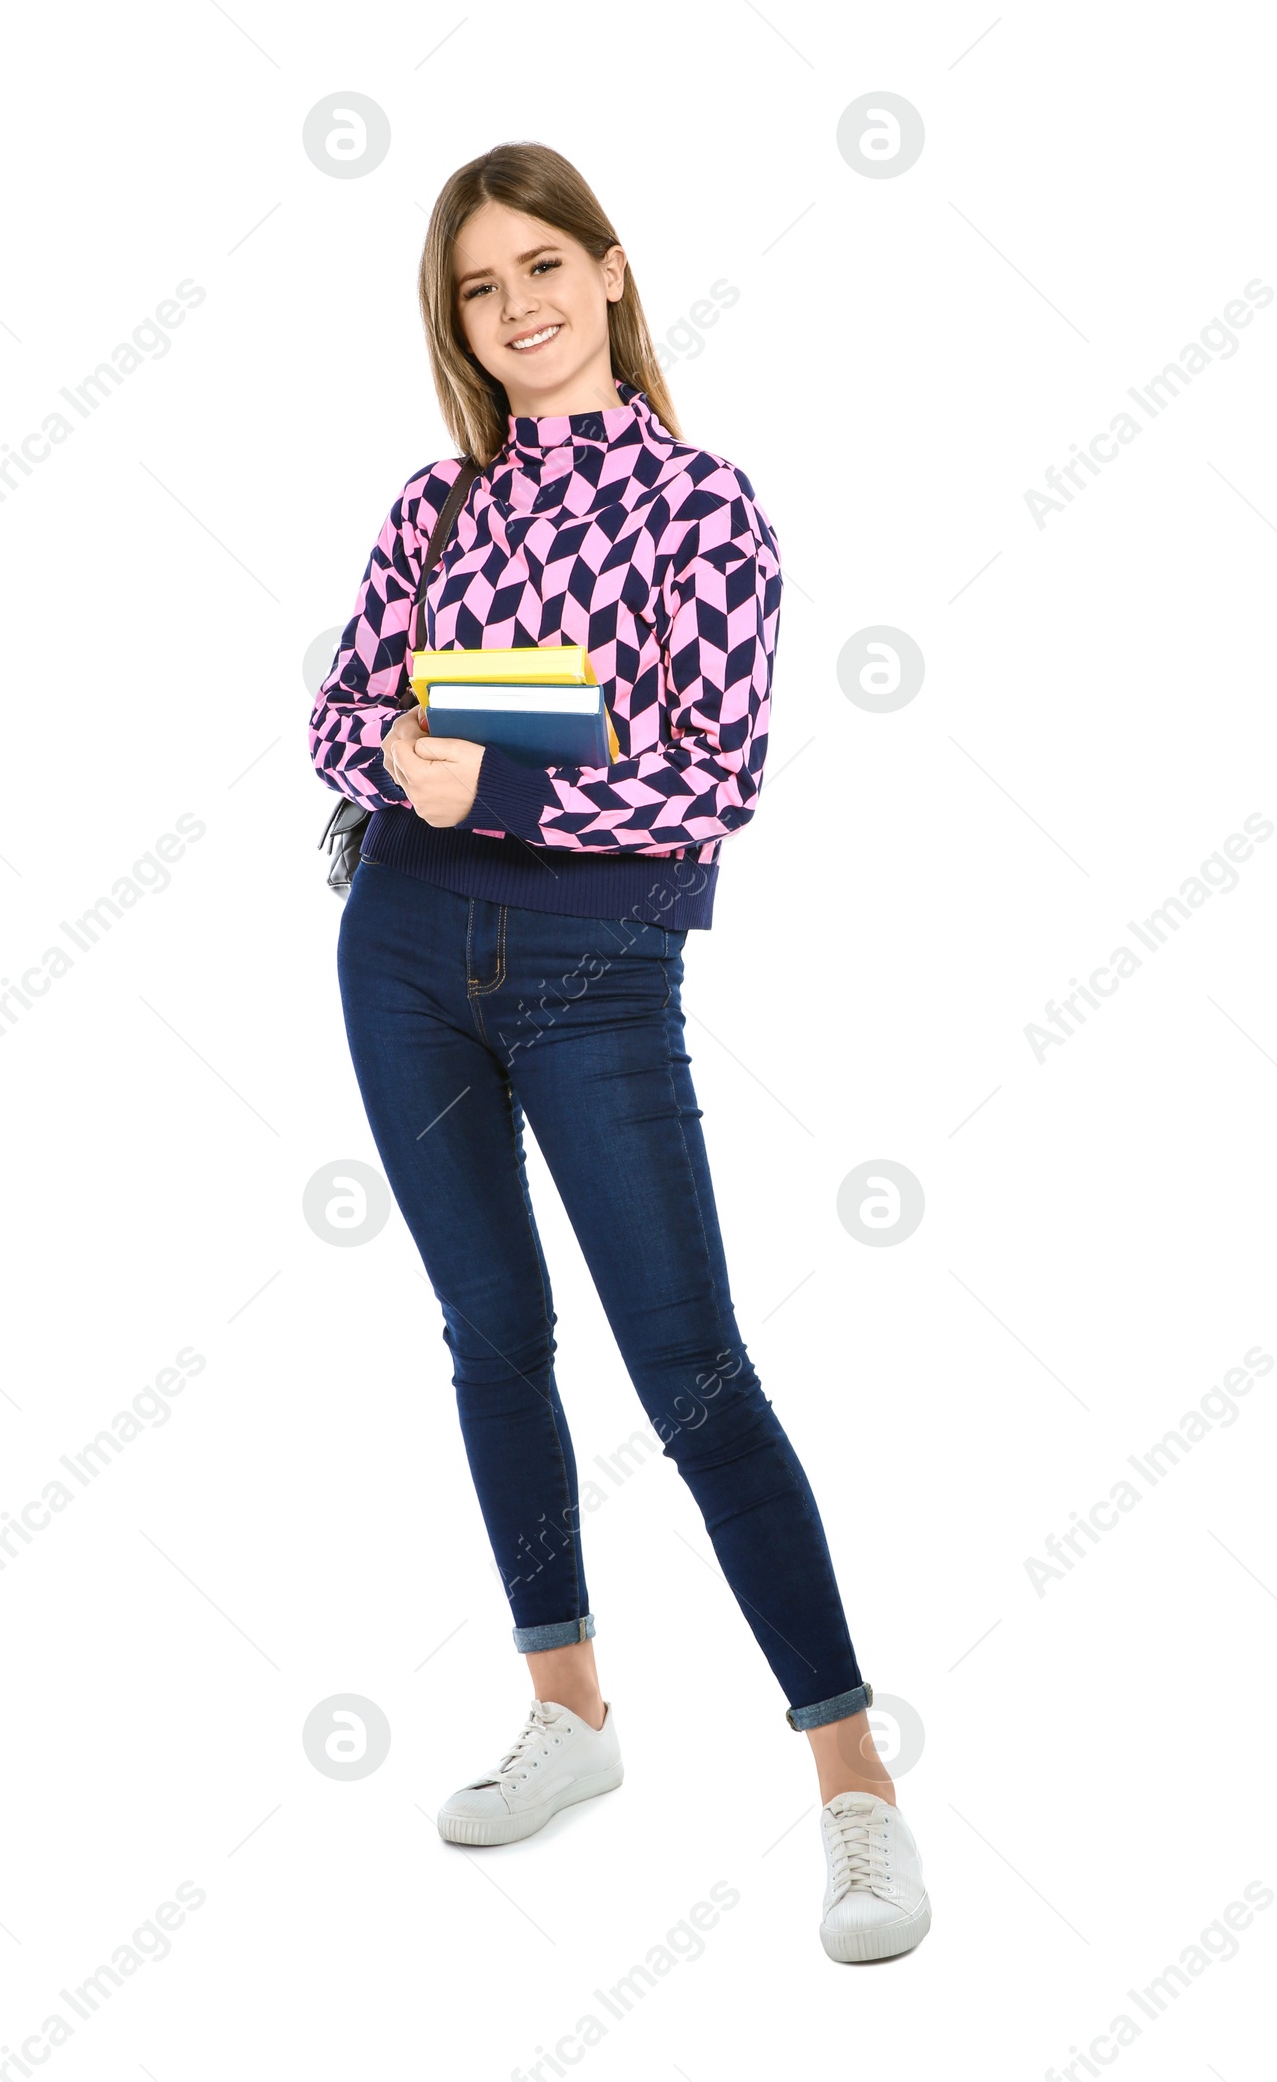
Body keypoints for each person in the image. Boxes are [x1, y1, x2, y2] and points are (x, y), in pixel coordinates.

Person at [308, 141, 930, 1962]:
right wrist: (456, 758)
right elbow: (343, 710)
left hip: (595, 967)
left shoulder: (706, 512)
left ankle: (855, 1784)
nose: (519, 311)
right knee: (490, 1334)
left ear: (612, 271)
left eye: (542, 269)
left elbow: (704, 780)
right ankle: (568, 1709)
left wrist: (484, 759)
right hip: (404, 943)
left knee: (695, 1367)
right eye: (481, 290)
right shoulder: (434, 511)